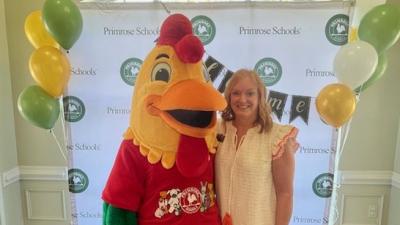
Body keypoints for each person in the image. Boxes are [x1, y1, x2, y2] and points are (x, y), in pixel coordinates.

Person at [215, 69, 299, 225]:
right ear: (228, 96)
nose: (242, 99)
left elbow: (285, 194)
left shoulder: (276, 137)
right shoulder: (218, 130)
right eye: (236, 93)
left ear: (260, 96)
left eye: (250, 93)